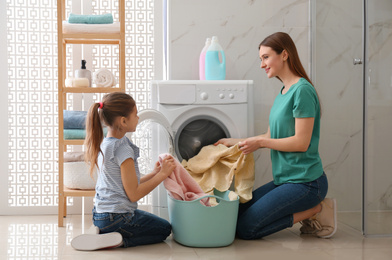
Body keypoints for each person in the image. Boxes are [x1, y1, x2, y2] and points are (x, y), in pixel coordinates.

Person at [215, 32, 337, 239]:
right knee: (235, 215)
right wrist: (232, 143)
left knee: (246, 229)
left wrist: (260, 142)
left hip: (307, 183)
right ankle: (308, 211)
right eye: (261, 59)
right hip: (285, 180)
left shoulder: (302, 91)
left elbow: (301, 143)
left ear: (284, 55)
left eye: (265, 57)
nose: (262, 64)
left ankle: (316, 210)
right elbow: (271, 135)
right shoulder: (283, 92)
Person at [71, 92, 176, 250]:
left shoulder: (105, 144)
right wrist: (162, 175)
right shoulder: (122, 148)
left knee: (154, 224)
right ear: (123, 121)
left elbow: (128, 182)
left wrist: (154, 173)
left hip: (100, 215)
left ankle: (102, 232)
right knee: (165, 229)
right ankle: (119, 241)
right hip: (118, 218)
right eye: (135, 114)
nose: (138, 118)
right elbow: (134, 193)